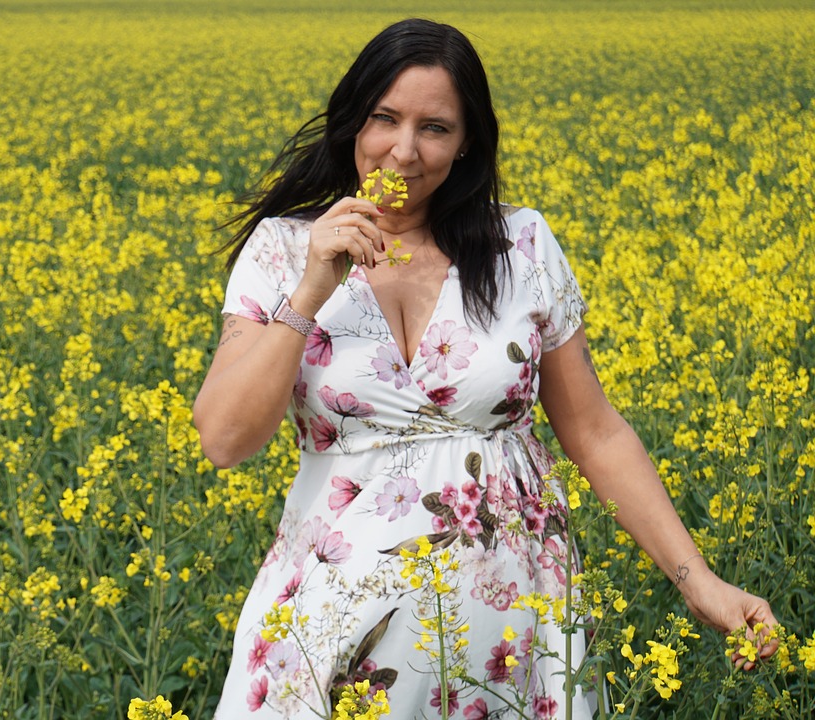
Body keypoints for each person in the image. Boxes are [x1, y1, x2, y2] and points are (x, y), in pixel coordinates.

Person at [193, 18, 777, 718]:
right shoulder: (284, 252)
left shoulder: (519, 245)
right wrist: (315, 286)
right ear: (353, 121)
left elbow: (594, 432)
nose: (403, 152)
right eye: (384, 119)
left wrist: (699, 582)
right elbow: (224, 439)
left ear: (467, 140)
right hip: (331, 622)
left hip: (511, 635)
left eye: (434, 128)